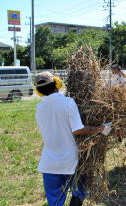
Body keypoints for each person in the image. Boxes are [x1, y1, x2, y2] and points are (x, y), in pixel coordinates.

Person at [34, 71, 112, 206]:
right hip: (70, 161)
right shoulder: (68, 102)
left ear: (39, 91)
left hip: (49, 164)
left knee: (55, 201)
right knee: (79, 191)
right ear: (57, 83)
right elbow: (78, 130)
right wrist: (100, 128)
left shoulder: (39, 107)